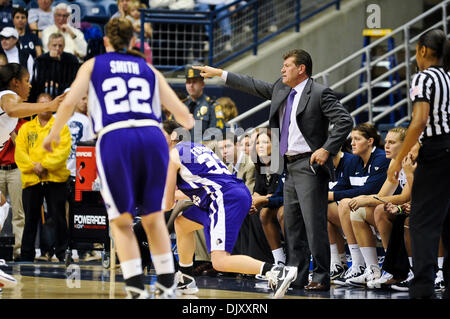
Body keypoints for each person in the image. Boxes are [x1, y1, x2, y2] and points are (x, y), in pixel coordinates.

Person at [42, 17, 194, 299]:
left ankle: (136, 289)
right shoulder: (147, 68)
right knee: (153, 217)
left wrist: (52, 135)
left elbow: (69, 102)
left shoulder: (93, 65)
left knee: (121, 221)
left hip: (116, 137)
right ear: (133, 42)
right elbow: (185, 118)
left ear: (107, 42)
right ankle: (166, 286)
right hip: (152, 137)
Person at [193, 48, 353, 291]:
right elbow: (253, 84)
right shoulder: (281, 89)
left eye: (287, 65)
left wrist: (327, 148)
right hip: (288, 164)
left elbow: (344, 120)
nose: (282, 69)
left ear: (301, 69)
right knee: (292, 225)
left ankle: (321, 276)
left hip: (310, 164)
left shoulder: (320, 92)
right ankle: (296, 276)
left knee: (313, 224)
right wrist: (221, 74)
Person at [163, 120, 298, 299]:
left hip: (224, 198)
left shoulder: (173, 155)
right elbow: (201, 187)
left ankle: (276, 271)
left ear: (173, 136)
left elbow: (167, 204)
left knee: (220, 261)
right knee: (182, 223)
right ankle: (185, 277)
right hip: (226, 194)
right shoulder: (194, 147)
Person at [387, 28, 450, 299]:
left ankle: (423, 286)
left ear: (423, 50)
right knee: (447, 220)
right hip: (445, 148)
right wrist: (418, 144)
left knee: (422, 221)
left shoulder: (424, 77)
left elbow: (421, 119)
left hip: (436, 154)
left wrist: (399, 159)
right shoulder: (448, 77)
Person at [328, 123, 390, 286]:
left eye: (357, 139)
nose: (352, 143)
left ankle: (362, 265)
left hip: (382, 208)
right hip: (364, 209)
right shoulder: (354, 161)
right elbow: (343, 184)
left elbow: (372, 189)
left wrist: (334, 195)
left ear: (370, 141)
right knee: (323, 209)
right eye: (351, 139)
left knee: (345, 204)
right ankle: (347, 265)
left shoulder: (381, 159)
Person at [14, 94, 71, 263]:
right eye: (41, 104)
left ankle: (62, 253)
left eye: (48, 104)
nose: (45, 107)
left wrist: (44, 165)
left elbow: (63, 152)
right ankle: (26, 255)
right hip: (32, 179)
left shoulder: (61, 127)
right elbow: (20, 153)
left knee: (58, 217)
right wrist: (34, 167)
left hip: (55, 179)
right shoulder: (26, 128)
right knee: (30, 218)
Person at [0, 62, 64, 153]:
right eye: (26, 80)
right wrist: (49, 105)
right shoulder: (7, 95)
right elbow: (12, 110)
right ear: (16, 82)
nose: (30, 85)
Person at [0, 118, 26, 260]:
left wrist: (12, 133)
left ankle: (18, 251)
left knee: (18, 212)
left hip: (15, 169)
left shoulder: (22, 124)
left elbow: (22, 149)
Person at [30, 32, 80, 101]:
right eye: (54, 45)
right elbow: (39, 80)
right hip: (45, 90)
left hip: (65, 90)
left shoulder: (72, 59)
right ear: (48, 46)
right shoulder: (41, 59)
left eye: (60, 46)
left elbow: (74, 79)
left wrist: (58, 86)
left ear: (64, 46)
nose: (57, 48)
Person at [184, 65, 225, 142]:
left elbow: (216, 134)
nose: (191, 85)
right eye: (188, 82)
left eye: (194, 81)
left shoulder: (212, 106)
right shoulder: (182, 106)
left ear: (202, 84)